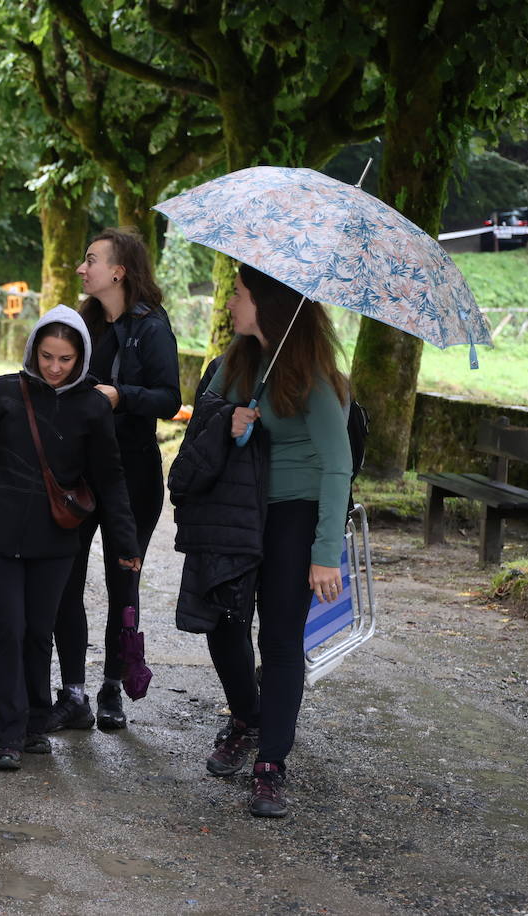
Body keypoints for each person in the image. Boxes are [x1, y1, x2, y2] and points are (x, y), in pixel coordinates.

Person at [0, 306, 141, 770]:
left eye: (66, 359)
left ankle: (35, 722)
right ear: (34, 350)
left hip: (55, 541)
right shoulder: (7, 391)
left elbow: (110, 480)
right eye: (47, 356)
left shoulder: (92, 405)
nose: (54, 367)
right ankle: (6, 737)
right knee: (8, 629)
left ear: (81, 359)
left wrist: (126, 544)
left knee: (38, 632)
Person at [193, 263, 352, 818]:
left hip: (294, 515)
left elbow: (338, 467)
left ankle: (271, 764)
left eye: (238, 295)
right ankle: (246, 714)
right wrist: (229, 426)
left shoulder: (313, 377)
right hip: (238, 510)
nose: (230, 304)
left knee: (280, 639)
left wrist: (325, 554)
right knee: (220, 621)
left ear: (266, 304)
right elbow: (200, 430)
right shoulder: (233, 363)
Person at [47, 228, 181, 732]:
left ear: (119, 271)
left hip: (134, 475)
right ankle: (73, 691)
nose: (83, 269)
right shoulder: (82, 323)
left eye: (92, 260)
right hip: (80, 474)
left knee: (123, 581)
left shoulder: (152, 328)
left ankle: (111, 688)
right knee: (66, 579)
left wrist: (121, 396)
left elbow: (169, 398)